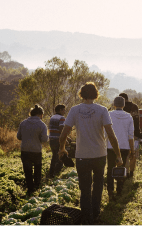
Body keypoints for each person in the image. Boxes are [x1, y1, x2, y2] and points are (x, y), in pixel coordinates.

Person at [58, 82, 123, 225]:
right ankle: (95, 215)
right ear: (95, 94)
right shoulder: (102, 110)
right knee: (98, 185)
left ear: (82, 94)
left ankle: (87, 219)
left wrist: (62, 149)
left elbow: (63, 135)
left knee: (85, 188)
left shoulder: (75, 110)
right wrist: (118, 155)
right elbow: (111, 135)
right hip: (100, 154)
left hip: (82, 156)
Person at [106, 96, 135, 201]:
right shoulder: (129, 117)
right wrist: (132, 150)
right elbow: (130, 136)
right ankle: (119, 191)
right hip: (124, 147)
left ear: (114, 104)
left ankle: (110, 190)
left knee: (110, 168)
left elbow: (105, 133)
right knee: (122, 169)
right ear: (123, 105)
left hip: (110, 147)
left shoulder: (108, 115)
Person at [17, 104, 48, 195]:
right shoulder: (42, 125)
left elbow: (19, 137)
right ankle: (37, 187)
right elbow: (44, 139)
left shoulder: (23, 123)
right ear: (40, 114)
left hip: (25, 150)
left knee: (27, 170)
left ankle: (30, 189)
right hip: (36, 151)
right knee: (37, 169)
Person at [119, 93, 142, 178]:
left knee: (125, 156)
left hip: (123, 135)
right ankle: (131, 173)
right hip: (135, 135)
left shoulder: (120, 108)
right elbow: (137, 122)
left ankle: (125, 173)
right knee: (133, 155)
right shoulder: (134, 106)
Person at [48, 104, 71, 178]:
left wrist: (67, 138)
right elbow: (62, 130)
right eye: (64, 110)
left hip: (51, 139)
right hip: (58, 140)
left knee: (54, 156)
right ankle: (57, 173)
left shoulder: (52, 117)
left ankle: (51, 172)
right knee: (61, 155)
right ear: (60, 110)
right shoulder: (61, 118)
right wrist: (65, 139)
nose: (64, 111)